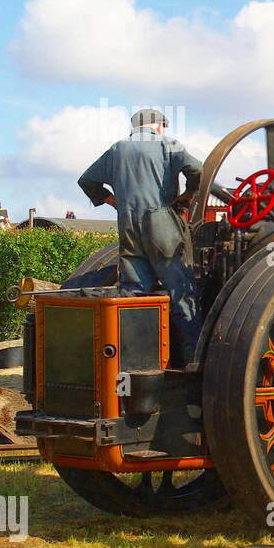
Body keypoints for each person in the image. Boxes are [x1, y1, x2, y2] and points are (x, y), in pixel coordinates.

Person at [78, 108, 204, 364]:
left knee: (133, 294)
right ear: (157, 126)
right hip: (163, 223)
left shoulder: (117, 149)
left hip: (129, 225)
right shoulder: (167, 144)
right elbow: (198, 170)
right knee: (181, 292)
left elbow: (87, 181)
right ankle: (194, 362)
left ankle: (135, 362)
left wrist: (115, 202)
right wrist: (188, 196)